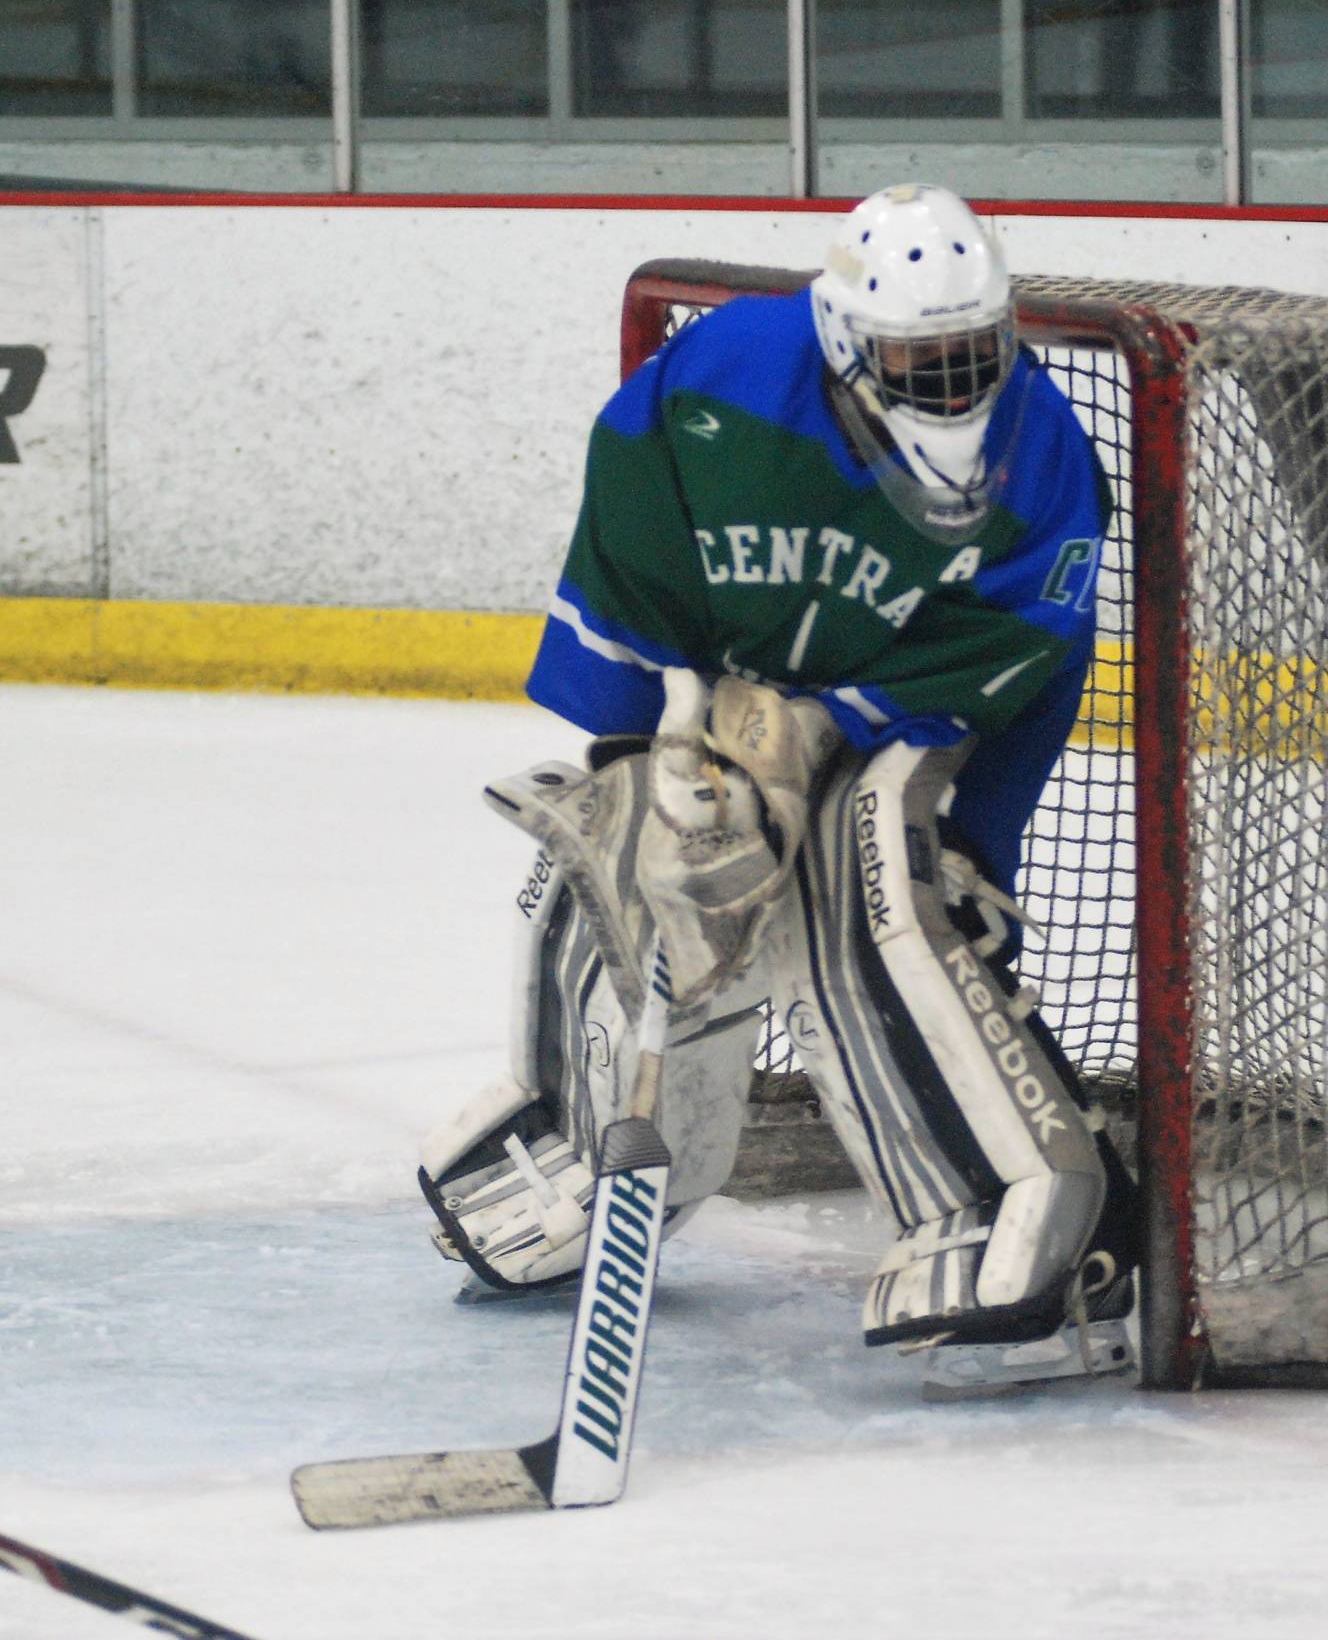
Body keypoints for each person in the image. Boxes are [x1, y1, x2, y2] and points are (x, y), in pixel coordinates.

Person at [415, 184, 1140, 1391]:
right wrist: (658, 744)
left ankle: (1032, 1213)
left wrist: (963, 829)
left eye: (973, 356)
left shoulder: (1047, 459)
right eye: (920, 361)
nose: (956, 388)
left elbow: (1025, 663)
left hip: (905, 712)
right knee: (618, 861)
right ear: (850, 342)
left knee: (882, 896)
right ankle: (584, 1144)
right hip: (730, 685)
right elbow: (631, 558)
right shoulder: (719, 384)